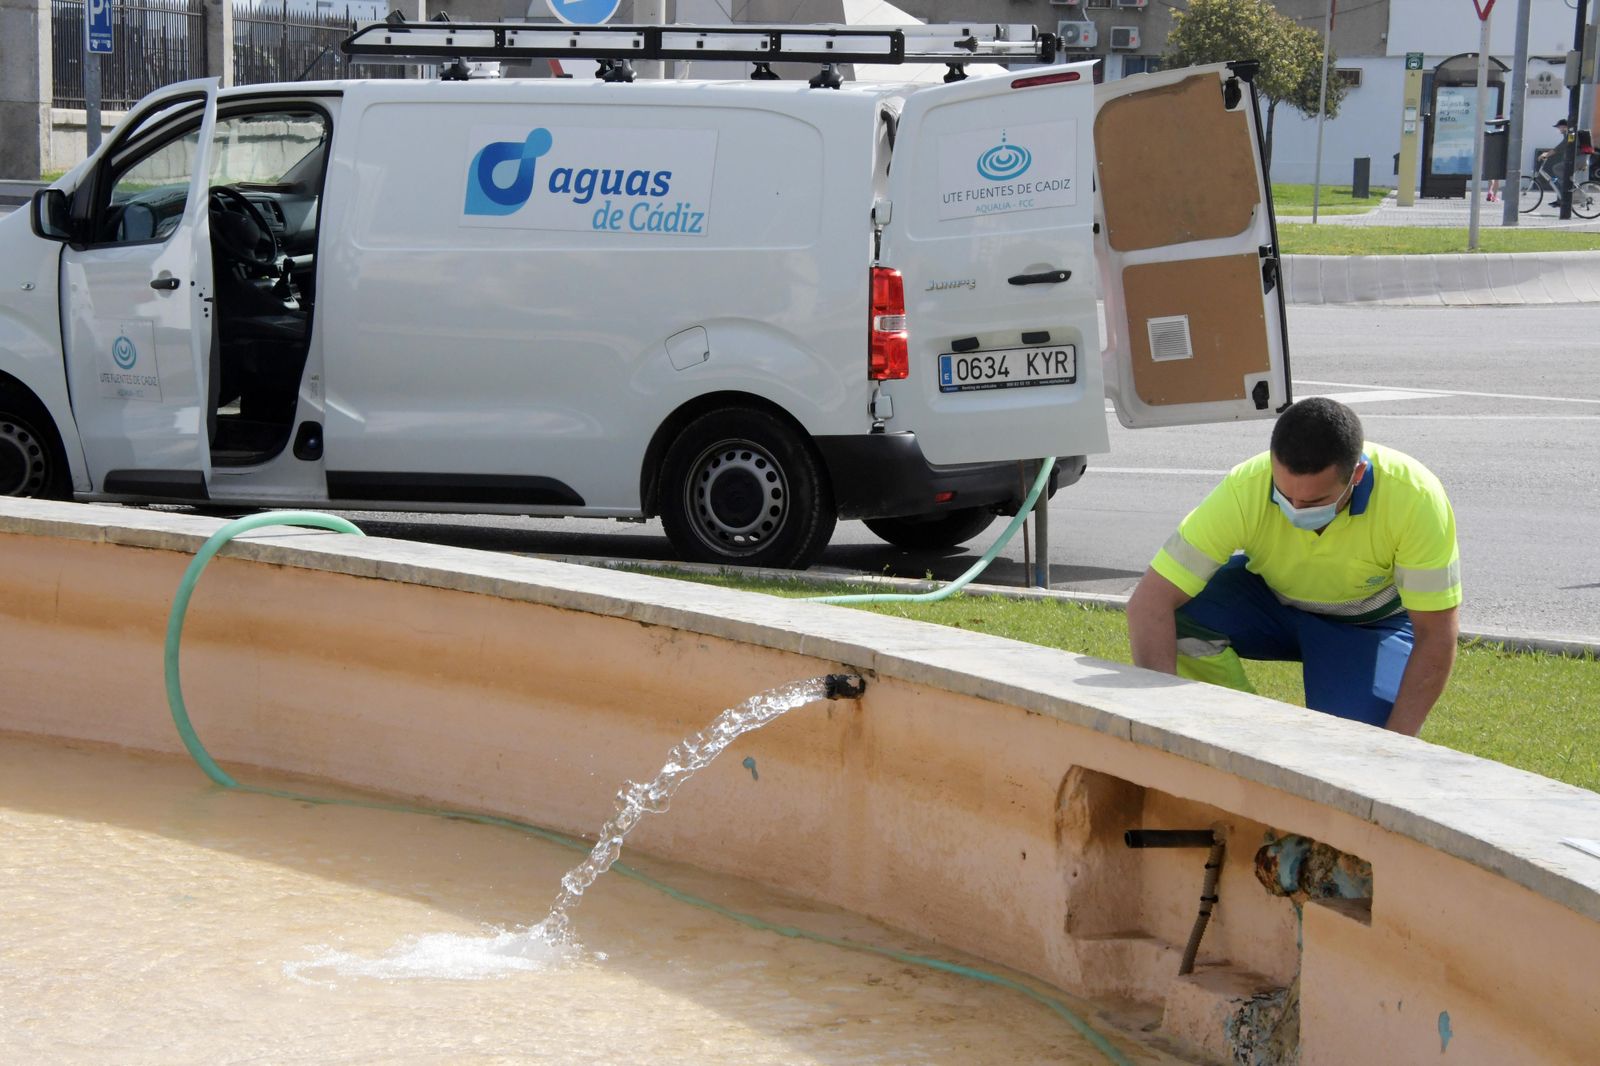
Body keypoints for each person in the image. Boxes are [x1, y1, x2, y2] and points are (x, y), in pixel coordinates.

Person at [1126, 397, 1460, 736]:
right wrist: (1162, 720)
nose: (1297, 509)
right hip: (1272, 605)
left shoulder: (1415, 498)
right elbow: (1150, 603)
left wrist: (1395, 746)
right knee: (1183, 614)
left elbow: (1435, 634)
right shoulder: (1246, 486)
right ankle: (1239, 731)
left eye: (1315, 501)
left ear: (1356, 475)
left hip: (1369, 627)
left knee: (1353, 744)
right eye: (1284, 495)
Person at [1537, 118, 1573, 188]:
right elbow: (1561, 148)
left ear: (1564, 127)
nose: (1559, 129)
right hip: (1575, 159)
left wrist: (1546, 155)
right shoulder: (1568, 135)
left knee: (1557, 168)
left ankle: (1567, 188)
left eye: (1559, 127)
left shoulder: (1570, 135)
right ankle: (1562, 195)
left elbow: (1559, 148)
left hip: (1577, 159)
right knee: (1562, 173)